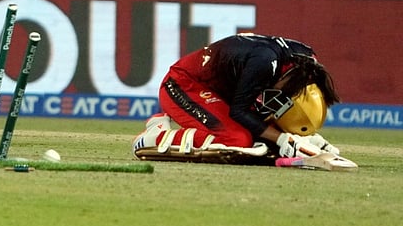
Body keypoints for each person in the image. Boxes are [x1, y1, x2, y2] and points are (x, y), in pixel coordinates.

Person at [132, 33, 343, 164]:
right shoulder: (263, 63)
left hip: (218, 92)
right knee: (237, 139)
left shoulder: (307, 63)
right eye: (286, 93)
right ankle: (156, 135)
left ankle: (303, 140)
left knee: (254, 136)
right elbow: (239, 111)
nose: (279, 100)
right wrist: (281, 139)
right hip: (182, 84)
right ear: (289, 76)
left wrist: (299, 136)